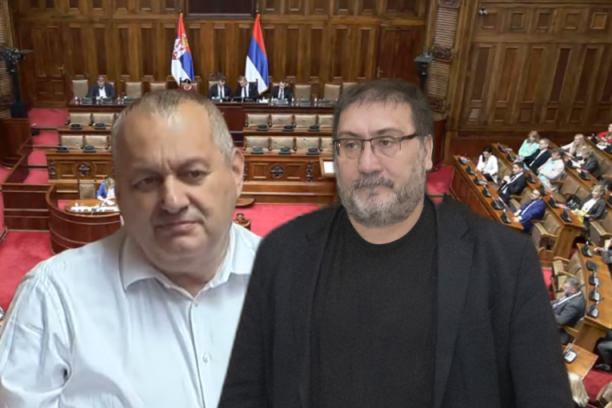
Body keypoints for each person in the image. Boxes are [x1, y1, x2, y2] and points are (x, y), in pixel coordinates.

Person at [219, 79, 572, 408]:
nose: (367, 164)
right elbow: (244, 392)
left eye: (387, 142)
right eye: (351, 144)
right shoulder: (281, 253)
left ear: (427, 150)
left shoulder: (506, 261)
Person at [0, 90, 261, 408]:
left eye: (193, 173)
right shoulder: (52, 297)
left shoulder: (295, 280)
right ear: (119, 194)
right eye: (146, 181)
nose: (173, 201)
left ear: (236, 172)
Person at [551, 277, 586, 344]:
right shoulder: (574, 293)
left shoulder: (575, 305)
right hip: (556, 313)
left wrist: (547, 310)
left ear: (573, 290)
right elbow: (559, 301)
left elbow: (561, 321)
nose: (562, 288)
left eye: (565, 287)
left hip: (559, 329)